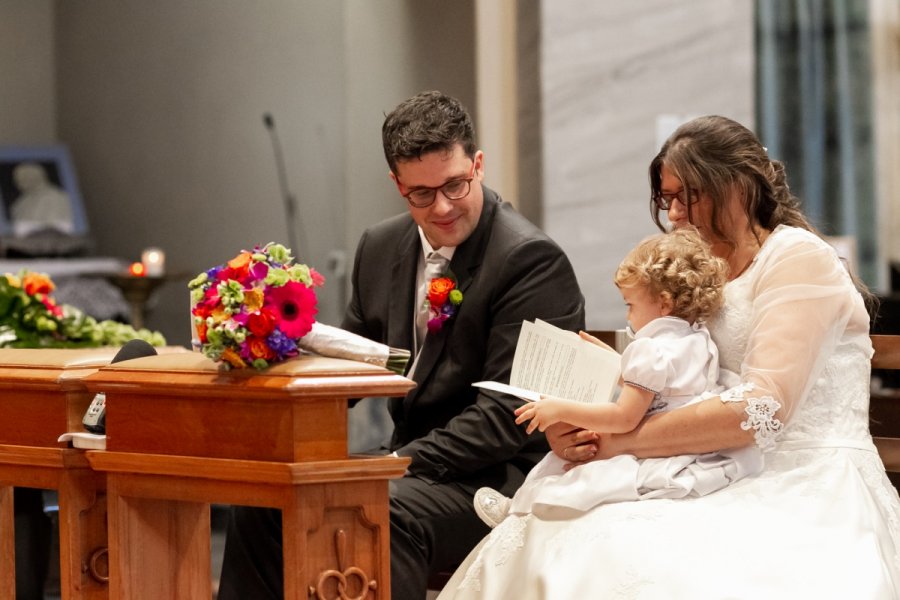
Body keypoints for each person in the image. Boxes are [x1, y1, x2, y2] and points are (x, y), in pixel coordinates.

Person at [438, 115, 900, 599]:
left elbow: (761, 411)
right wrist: (587, 408)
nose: (675, 214)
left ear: (737, 186)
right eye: (667, 198)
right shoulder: (704, 267)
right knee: (559, 538)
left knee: (632, 562)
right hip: (704, 461)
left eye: (687, 196)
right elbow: (669, 369)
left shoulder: (798, 259)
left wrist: (615, 442)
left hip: (799, 478)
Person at [216, 90, 585, 599]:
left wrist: (393, 463)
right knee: (262, 498)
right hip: (411, 464)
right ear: (397, 184)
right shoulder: (381, 246)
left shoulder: (530, 261)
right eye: (421, 194)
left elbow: (507, 416)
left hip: (501, 476)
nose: (443, 206)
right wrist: (267, 366)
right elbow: (351, 363)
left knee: (376, 510)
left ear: (477, 164)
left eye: (456, 184)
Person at [473, 227, 761, 528]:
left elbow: (624, 418)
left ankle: (518, 512)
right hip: (689, 446)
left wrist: (560, 408)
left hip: (649, 449)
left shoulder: (648, 350)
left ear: (663, 303)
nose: (627, 317)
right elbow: (667, 387)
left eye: (631, 305)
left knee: (566, 470)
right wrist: (616, 366)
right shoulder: (697, 338)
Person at [9, 162, 75, 237]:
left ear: (37, 177)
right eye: (17, 179)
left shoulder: (58, 197)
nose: (19, 183)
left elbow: (57, 229)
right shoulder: (19, 204)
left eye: (24, 178)